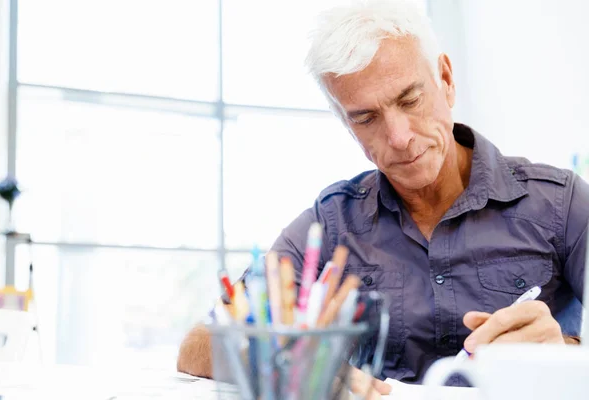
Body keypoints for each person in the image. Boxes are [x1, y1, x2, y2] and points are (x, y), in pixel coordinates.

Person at [178, 0, 587, 396]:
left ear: (445, 79)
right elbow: (198, 346)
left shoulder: (562, 204)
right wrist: (290, 362)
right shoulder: (332, 223)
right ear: (345, 123)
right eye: (365, 118)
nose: (399, 137)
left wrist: (563, 355)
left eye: (410, 99)